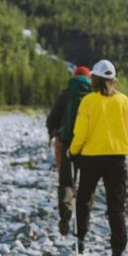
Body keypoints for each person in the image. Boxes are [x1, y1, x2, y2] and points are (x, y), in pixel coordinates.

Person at [70, 59, 128, 256]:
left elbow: (81, 131)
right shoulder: (124, 101)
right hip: (117, 158)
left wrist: (74, 149)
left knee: (84, 199)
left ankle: (80, 241)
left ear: (95, 79)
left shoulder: (88, 101)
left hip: (91, 158)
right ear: (113, 80)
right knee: (116, 208)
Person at [46, 66, 92, 235]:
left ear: (74, 76)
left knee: (66, 182)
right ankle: (83, 225)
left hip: (66, 144)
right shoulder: (93, 96)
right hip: (87, 148)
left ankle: (66, 212)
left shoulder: (66, 94)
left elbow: (52, 119)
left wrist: (52, 133)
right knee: (86, 186)